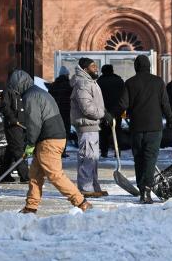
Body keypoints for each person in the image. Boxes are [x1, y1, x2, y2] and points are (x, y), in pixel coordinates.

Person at [9, 69, 91, 214]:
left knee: (55, 175)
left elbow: (34, 122)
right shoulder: (38, 92)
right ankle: (31, 207)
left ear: (19, 85)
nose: (15, 92)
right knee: (35, 175)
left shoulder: (30, 96)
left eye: (15, 88)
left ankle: (81, 202)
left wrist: (30, 143)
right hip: (50, 137)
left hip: (49, 139)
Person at [119, 55, 172, 203]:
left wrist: (111, 115)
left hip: (136, 128)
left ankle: (141, 188)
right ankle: (147, 190)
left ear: (136, 67)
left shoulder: (130, 83)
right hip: (154, 128)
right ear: (149, 66)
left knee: (138, 159)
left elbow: (123, 104)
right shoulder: (158, 82)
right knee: (150, 158)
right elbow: (165, 103)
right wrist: (171, 118)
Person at [70, 58, 112, 198]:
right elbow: (87, 107)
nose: (96, 68)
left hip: (92, 124)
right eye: (93, 66)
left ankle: (93, 185)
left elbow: (96, 104)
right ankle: (86, 188)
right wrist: (102, 114)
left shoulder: (90, 82)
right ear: (85, 69)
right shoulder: (83, 83)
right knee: (87, 156)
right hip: (86, 125)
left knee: (93, 157)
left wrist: (105, 113)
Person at [0, 70, 30, 183]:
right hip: (13, 125)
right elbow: (4, 107)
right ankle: (25, 175)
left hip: (20, 124)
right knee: (18, 149)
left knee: (11, 150)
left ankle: (3, 174)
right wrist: (13, 119)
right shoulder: (8, 91)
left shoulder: (20, 91)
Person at [97, 64, 125, 158]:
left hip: (104, 111)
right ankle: (118, 151)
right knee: (117, 131)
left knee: (104, 132)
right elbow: (123, 96)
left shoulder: (99, 82)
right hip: (117, 111)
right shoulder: (119, 81)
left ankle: (104, 152)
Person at [48, 66, 75, 157]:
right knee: (65, 132)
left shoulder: (53, 85)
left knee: (56, 132)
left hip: (55, 113)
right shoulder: (69, 85)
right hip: (66, 112)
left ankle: (57, 150)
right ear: (66, 75)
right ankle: (63, 151)